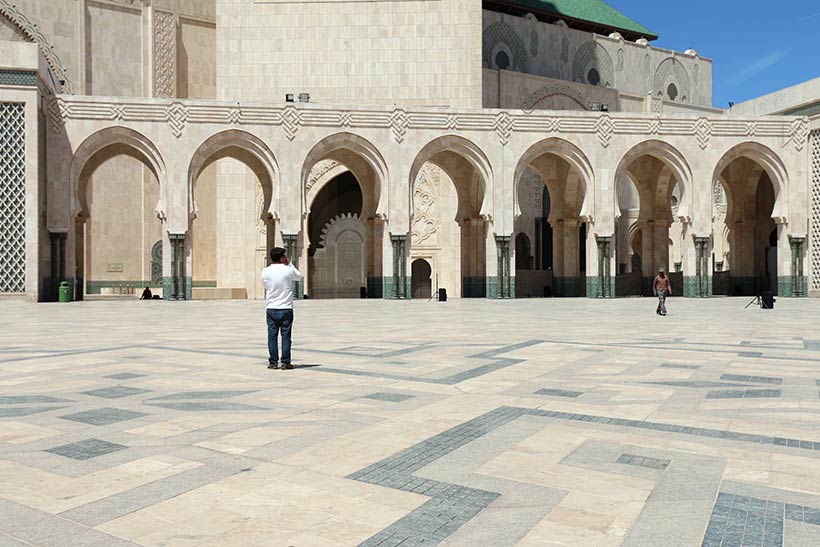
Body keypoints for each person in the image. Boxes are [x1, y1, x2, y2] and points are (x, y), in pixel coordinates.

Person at [261, 247, 303, 370]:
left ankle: (273, 362)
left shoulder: (265, 271)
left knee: (272, 336)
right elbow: (299, 276)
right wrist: (290, 263)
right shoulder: (287, 270)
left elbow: (264, 285)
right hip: (286, 308)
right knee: (286, 336)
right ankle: (285, 362)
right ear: (282, 258)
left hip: (271, 307)